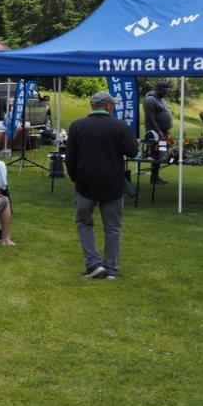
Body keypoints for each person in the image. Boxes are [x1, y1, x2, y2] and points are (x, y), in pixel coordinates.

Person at [66, 90, 140, 279]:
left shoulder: (77, 126)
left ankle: (93, 263)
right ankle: (111, 269)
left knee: (84, 223)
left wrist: (74, 178)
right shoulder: (119, 126)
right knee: (112, 228)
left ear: (93, 105)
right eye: (112, 105)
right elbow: (133, 151)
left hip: (85, 183)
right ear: (108, 105)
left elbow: (70, 158)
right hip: (113, 183)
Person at [143, 80, 172, 186]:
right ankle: (154, 178)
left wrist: (166, 130)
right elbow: (150, 119)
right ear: (158, 89)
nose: (166, 93)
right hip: (155, 134)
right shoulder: (150, 100)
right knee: (156, 154)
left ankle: (156, 176)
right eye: (164, 90)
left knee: (161, 154)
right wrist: (159, 132)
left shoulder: (161, 99)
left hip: (163, 133)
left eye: (167, 90)